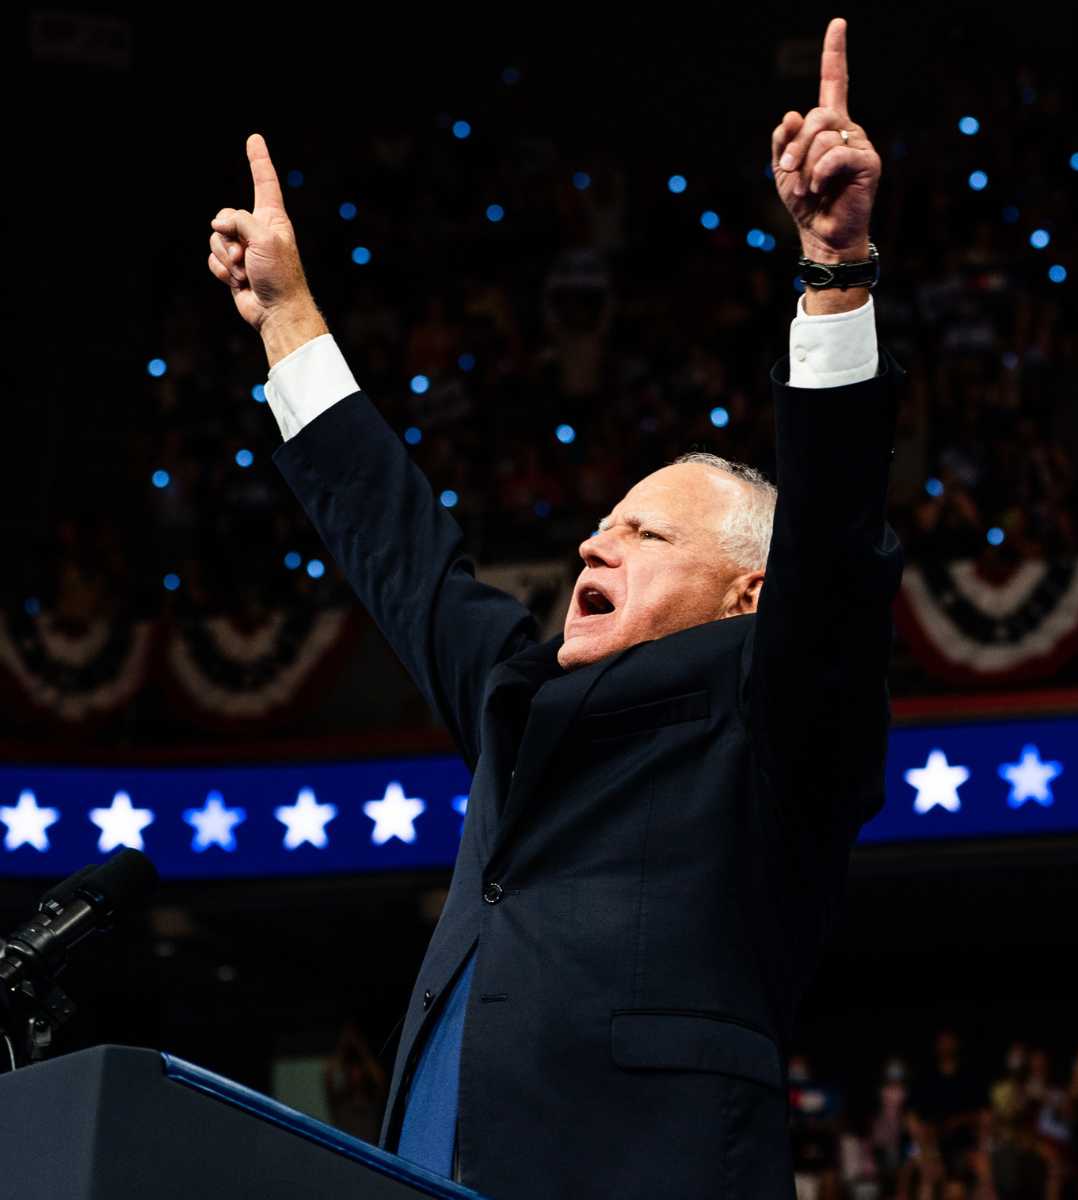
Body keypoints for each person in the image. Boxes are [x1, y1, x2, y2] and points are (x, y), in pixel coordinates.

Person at [202, 19, 899, 1197]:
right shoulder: (521, 701)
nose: (594, 537)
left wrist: (833, 275)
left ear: (746, 594)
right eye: (603, 521)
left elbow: (832, 549)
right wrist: (288, 319)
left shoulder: (770, 712)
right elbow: (406, 554)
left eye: (642, 529)